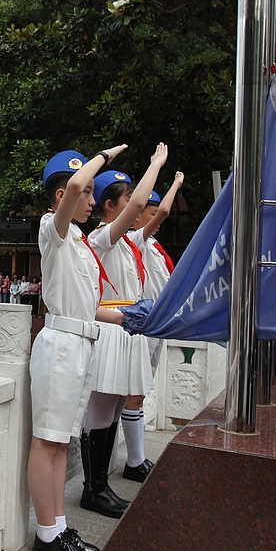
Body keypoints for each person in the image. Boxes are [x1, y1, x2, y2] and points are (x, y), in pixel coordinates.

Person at [27, 145, 130, 551]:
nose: (90, 199)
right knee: (47, 441)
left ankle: (59, 525)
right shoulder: (53, 229)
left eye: (90, 193)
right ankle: (46, 534)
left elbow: (91, 308)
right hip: (60, 346)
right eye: (87, 193)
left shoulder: (82, 244)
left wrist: (131, 317)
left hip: (80, 341)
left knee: (59, 443)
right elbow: (72, 184)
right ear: (61, 197)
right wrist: (103, 155)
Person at [80, 146, 167, 517]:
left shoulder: (130, 241)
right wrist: (155, 165)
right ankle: (92, 487)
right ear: (110, 207)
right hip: (111, 329)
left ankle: (103, 483)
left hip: (126, 329)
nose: (135, 204)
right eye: (127, 200)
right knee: (100, 413)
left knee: (115, 411)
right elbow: (144, 207)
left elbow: (153, 214)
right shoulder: (102, 237)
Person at [121, 170, 184, 481]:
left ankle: (137, 458)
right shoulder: (138, 240)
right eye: (148, 212)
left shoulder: (154, 247)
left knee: (140, 393)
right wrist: (175, 184)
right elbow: (165, 210)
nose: (157, 218)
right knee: (134, 393)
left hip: (157, 327)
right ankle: (135, 461)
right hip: (143, 328)